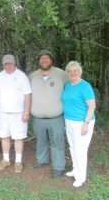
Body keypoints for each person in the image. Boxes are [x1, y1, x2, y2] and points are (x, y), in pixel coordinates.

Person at [0, 54, 31, 173]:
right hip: (3, 113)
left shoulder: (21, 76)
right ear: (3, 65)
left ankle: (18, 161)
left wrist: (26, 112)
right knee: (4, 137)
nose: (8, 66)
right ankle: (6, 160)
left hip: (19, 113)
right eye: (5, 64)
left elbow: (27, 95)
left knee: (18, 138)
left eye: (10, 63)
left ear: (14, 63)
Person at [30, 50, 68, 178]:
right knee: (40, 141)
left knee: (57, 142)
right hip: (38, 118)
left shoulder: (61, 74)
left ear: (51, 60)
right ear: (39, 61)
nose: (44, 60)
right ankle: (42, 160)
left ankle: (58, 166)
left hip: (56, 117)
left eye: (47, 58)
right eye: (41, 58)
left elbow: (72, 87)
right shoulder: (32, 76)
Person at [61, 61, 96, 187]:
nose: (72, 73)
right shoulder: (68, 85)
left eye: (75, 70)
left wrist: (86, 123)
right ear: (67, 73)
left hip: (82, 122)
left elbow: (92, 105)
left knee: (80, 149)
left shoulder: (85, 86)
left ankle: (81, 177)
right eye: (70, 71)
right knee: (72, 147)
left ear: (79, 71)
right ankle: (75, 170)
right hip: (69, 120)